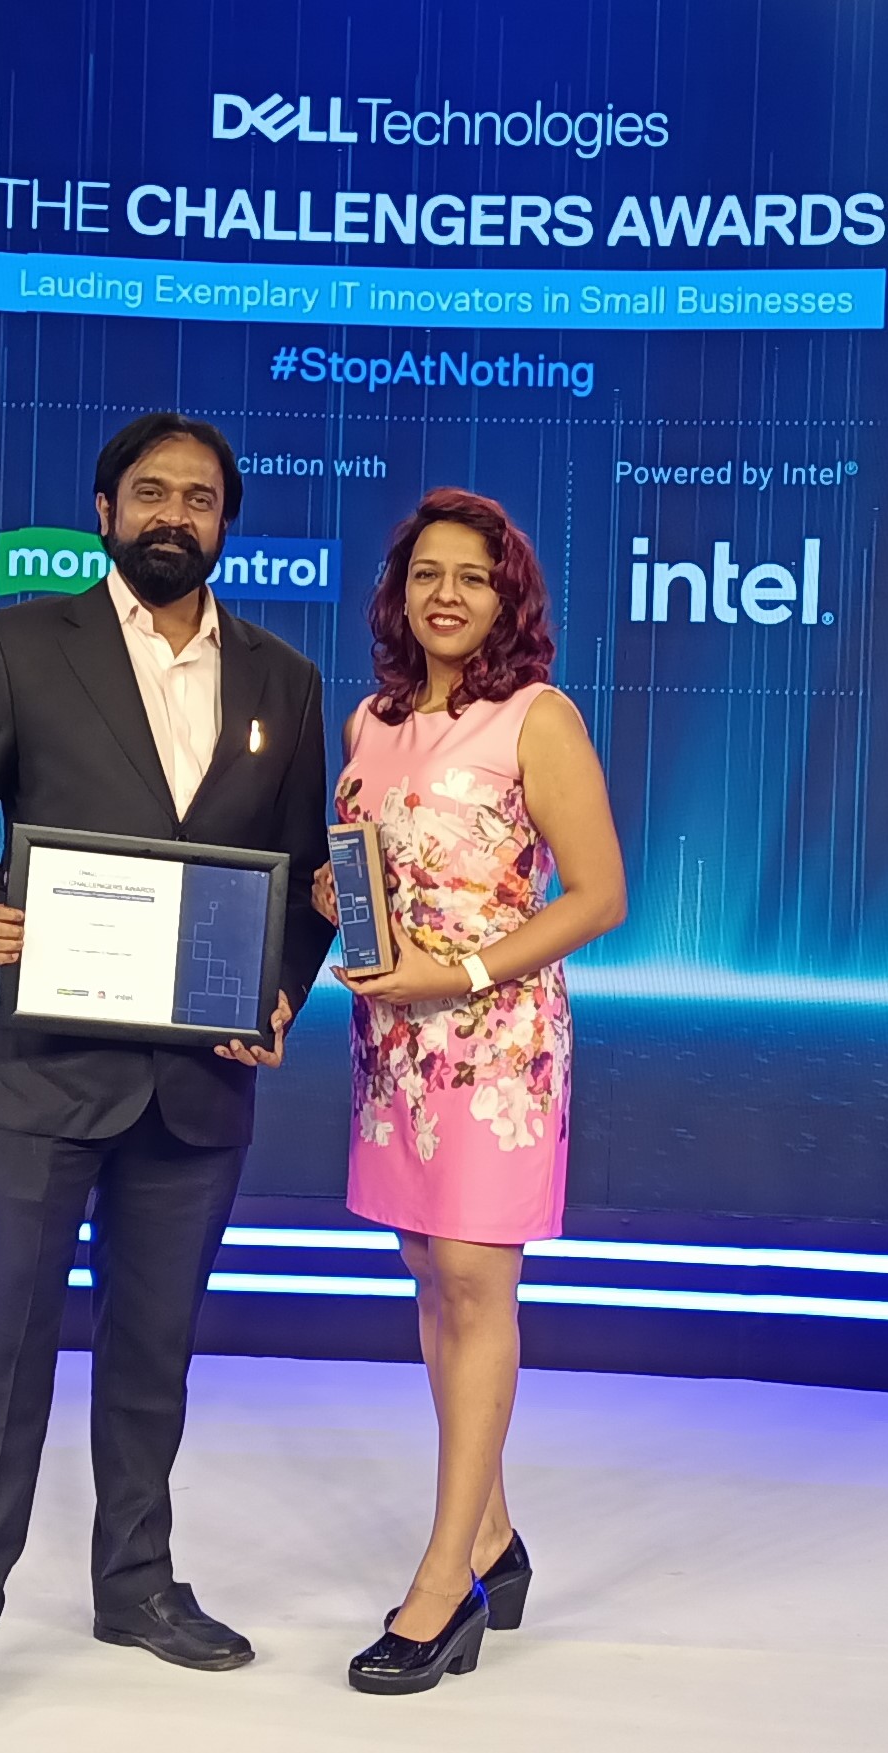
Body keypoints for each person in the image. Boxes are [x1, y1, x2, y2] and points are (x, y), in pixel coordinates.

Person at [0, 412, 334, 1723]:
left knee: (155, 1346)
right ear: (104, 512)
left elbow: (302, 877)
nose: (173, 515)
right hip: (43, 1064)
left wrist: (279, 990)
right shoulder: (19, 645)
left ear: (224, 523)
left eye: (199, 498)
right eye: (151, 492)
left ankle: (135, 1581)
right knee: (7, 1338)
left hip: (198, 1081)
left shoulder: (284, 681)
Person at [313, 487, 626, 1696]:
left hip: (494, 1039)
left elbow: (596, 894)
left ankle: (443, 1581)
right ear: (396, 594)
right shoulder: (372, 718)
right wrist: (337, 901)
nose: (445, 595)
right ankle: (491, 1533)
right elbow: (369, 871)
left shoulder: (536, 716)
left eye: (471, 577)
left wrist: (463, 971)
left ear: (508, 599)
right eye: (424, 574)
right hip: (393, 1042)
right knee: (428, 1275)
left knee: (471, 1277)